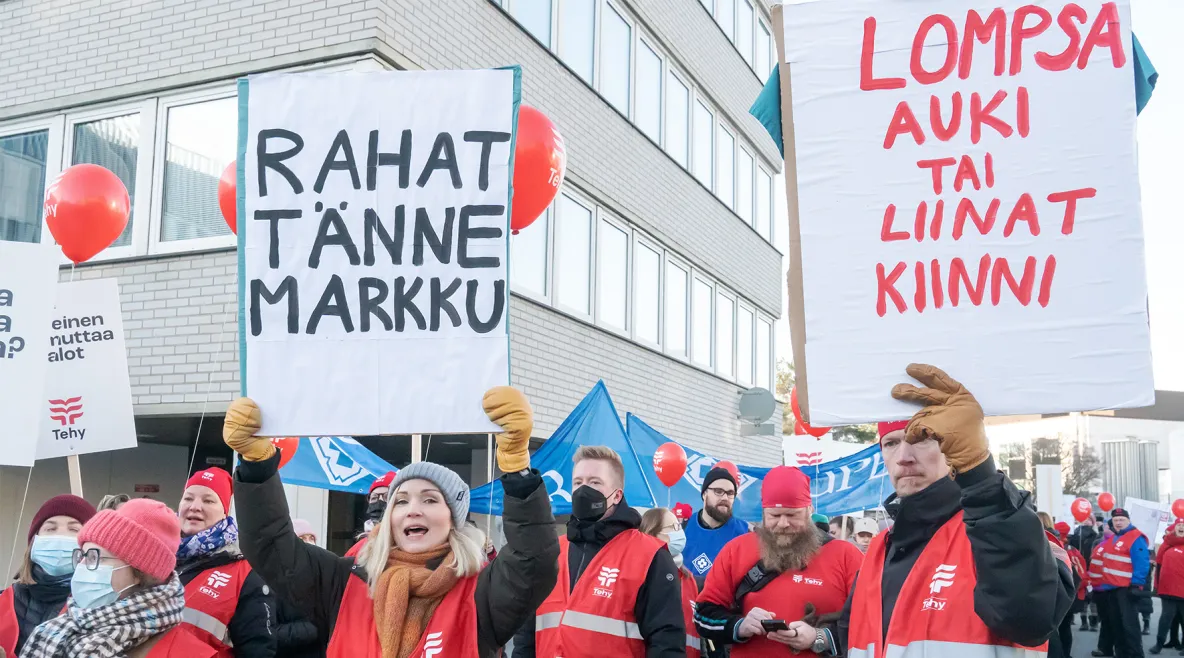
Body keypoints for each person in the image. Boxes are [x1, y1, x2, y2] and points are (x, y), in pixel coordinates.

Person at [225, 386, 560, 657]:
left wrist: (517, 470)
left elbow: (534, 562)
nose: (412, 509)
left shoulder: (481, 593)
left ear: (454, 520)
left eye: (430, 499)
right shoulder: (344, 582)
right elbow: (270, 543)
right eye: (400, 501)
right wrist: (257, 467)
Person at [834, 364, 1074, 657]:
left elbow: (1030, 619)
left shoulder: (1001, 527)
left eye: (921, 438)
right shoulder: (877, 550)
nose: (903, 458)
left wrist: (981, 476)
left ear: (955, 443)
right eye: (891, 443)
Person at [519, 444, 685, 657]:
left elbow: (667, 643)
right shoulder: (552, 552)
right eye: (578, 482)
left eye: (595, 483)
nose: (583, 490)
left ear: (617, 495)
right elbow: (526, 635)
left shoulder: (649, 556)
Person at [695, 466, 862, 657]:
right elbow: (702, 615)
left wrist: (820, 637)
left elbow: (871, 621)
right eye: (774, 516)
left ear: (809, 511)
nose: (783, 523)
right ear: (764, 514)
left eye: (792, 515)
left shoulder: (846, 555)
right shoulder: (736, 551)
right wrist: (740, 626)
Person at [20, 499, 217, 657]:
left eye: (96, 557)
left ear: (140, 571)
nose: (81, 567)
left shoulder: (188, 652)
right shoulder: (56, 629)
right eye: (82, 555)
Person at [176, 467, 277, 657]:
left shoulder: (245, 573)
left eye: (208, 500)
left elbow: (258, 649)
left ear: (225, 511)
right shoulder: (156, 558)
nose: (195, 506)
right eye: (188, 498)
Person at [0, 495, 96, 656]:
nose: (61, 536)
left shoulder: (100, 608)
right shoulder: (5, 601)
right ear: (34, 542)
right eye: (50, 529)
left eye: (74, 530)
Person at [641, 507, 701, 657]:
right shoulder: (642, 575)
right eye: (673, 527)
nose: (679, 532)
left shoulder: (688, 578)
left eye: (679, 526)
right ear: (653, 533)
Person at [683, 466, 752, 589]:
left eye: (730, 493)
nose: (725, 498)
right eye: (718, 491)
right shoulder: (683, 528)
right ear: (704, 494)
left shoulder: (746, 533)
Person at [1094, 508, 1149, 658]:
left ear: (1128, 520)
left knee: (1129, 625)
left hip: (1127, 589)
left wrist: (1137, 584)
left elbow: (1142, 562)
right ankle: (1121, 653)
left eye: (1121, 520)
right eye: (1115, 520)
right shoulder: (1113, 539)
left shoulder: (1135, 537)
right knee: (1116, 624)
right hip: (1111, 589)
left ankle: (1135, 654)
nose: (1118, 523)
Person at [277, 526, 325, 658]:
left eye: (311, 538)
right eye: (302, 538)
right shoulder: (274, 582)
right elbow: (266, 631)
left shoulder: (323, 577)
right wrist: (313, 629)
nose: (308, 542)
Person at [345, 472, 397, 559]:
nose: (379, 502)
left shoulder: (411, 544)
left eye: (386, 497)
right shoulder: (357, 550)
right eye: (374, 497)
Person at [1057, 521, 1089, 658]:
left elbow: (1079, 575)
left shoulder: (1060, 549)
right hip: (1071, 594)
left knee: (1060, 629)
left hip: (1063, 595)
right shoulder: (1072, 549)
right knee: (1065, 627)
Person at [1152, 521, 1184, 655]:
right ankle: (1159, 644)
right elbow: (1159, 566)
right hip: (1167, 588)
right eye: (1179, 525)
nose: (1181, 527)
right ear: (1173, 528)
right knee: (1166, 617)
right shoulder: (1166, 545)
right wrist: (1157, 586)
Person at [1072, 514, 1103, 632]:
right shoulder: (1076, 534)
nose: (1086, 521)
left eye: (1089, 519)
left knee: (1092, 597)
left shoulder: (1096, 535)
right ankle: (1084, 621)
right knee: (1083, 596)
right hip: (1080, 568)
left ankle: (1093, 621)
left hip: (1092, 568)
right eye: (1084, 518)